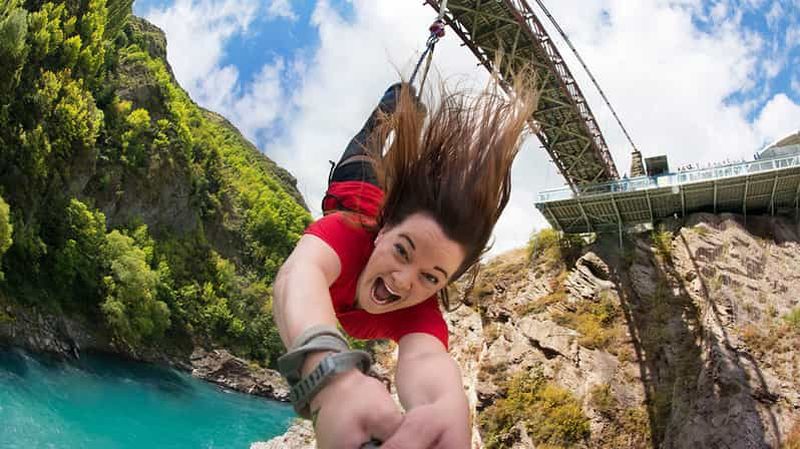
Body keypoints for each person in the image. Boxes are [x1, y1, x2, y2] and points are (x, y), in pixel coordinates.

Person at [273, 77, 536, 449]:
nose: (402, 280)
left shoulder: (420, 311)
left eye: (430, 277)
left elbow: (427, 358)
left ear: (443, 285)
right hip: (353, 184)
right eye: (402, 251)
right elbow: (298, 274)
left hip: (392, 204)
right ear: (383, 232)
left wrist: (446, 406)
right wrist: (331, 379)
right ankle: (398, 99)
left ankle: (409, 120)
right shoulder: (344, 234)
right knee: (375, 132)